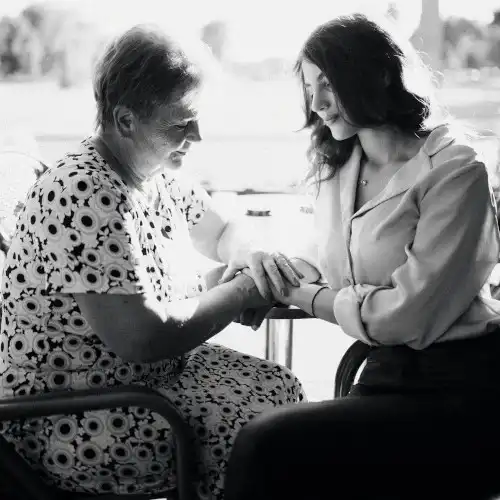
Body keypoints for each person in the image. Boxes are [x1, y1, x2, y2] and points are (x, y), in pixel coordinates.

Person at [0, 25, 306, 499]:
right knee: (268, 436)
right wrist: (242, 291)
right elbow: (144, 336)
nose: (197, 135)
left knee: (282, 390)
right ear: (125, 121)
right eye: (182, 123)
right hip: (74, 416)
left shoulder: (150, 172)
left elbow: (223, 229)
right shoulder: (86, 191)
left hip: (139, 386)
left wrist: (252, 257)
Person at [223, 13, 500, 500]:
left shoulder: (456, 171)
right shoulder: (340, 168)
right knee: (270, 444)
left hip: (463, 388)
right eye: (309, 88)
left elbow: (406, 315)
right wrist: (262, 269)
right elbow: (321, 260)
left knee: (264, 444)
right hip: (384, 376)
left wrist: (301, 294)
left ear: (378, 75)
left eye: (327, 85)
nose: (316, 104)